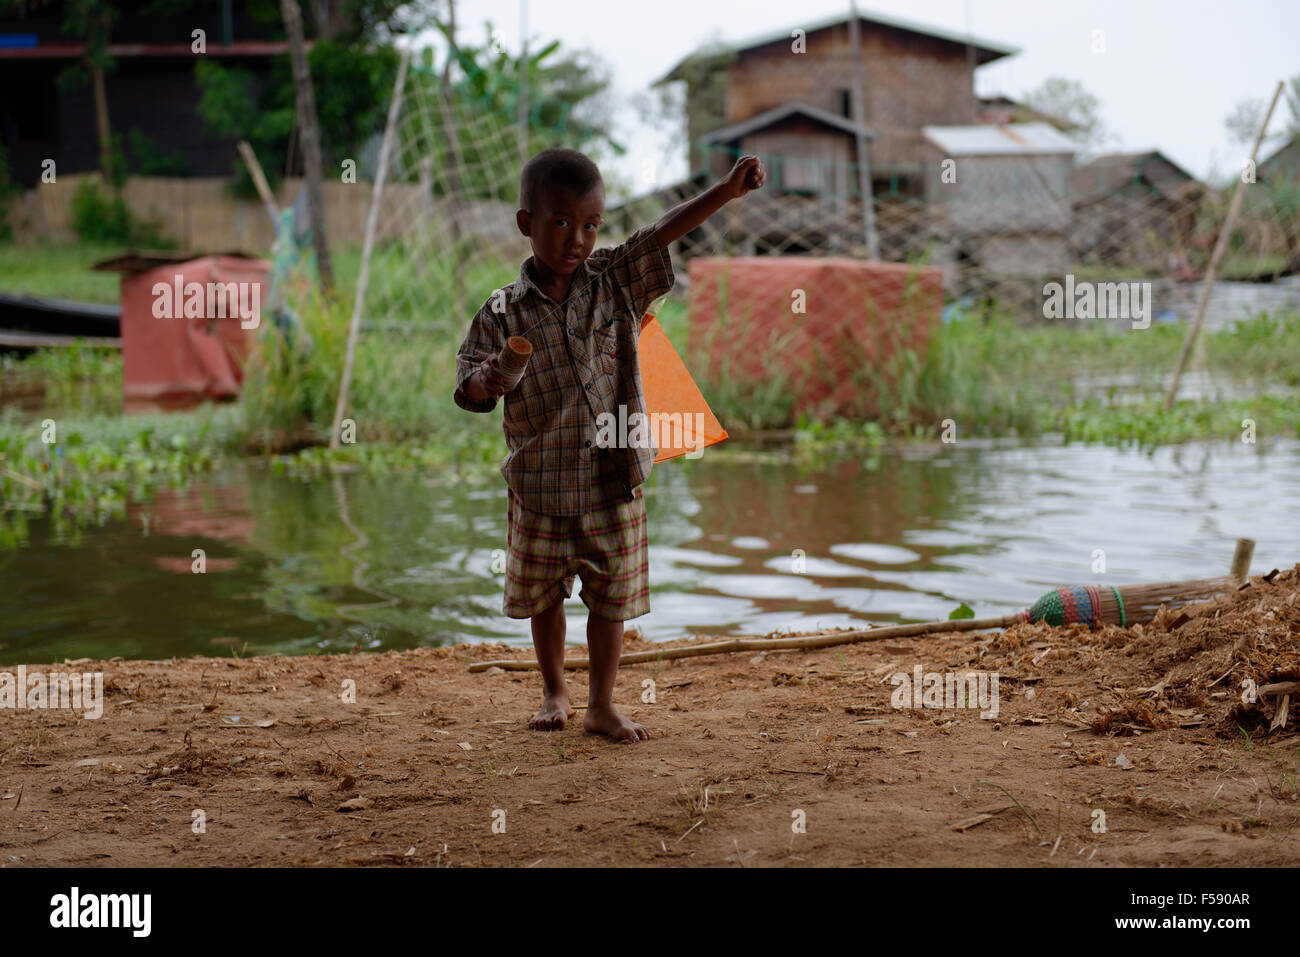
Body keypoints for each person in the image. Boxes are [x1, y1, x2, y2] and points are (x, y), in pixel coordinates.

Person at [454, 147, 765, 742]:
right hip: (539, 481)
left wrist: (726, 192)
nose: (578, 238)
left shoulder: (614, 281)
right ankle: (554, 691)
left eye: (591, 224)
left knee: (611, 595)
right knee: (545, 594)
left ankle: (601, 702)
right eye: (562, 222)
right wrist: (487, 378)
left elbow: (660, 230)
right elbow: (468, 387)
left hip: (610, 473)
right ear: (527, 224)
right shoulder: (501, 311)